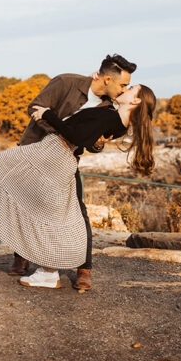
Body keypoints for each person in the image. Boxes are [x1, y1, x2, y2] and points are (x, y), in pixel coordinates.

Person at [0, 83, 157, 290]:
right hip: (54, 153)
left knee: (1, 169)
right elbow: (87, 136)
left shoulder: (111, 118)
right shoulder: (115, 118)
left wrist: (48, 114)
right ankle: (42, 263)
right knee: (45, 209)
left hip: (56, 154)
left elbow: (75, 135)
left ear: (135, 101)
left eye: (130, 88)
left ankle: (48, 272)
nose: (124, 89)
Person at [12, 54, 137, 290]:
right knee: (26, 205)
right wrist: (60, 136)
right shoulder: (66, 82)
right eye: (123, 84)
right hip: (34, 151)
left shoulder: (109, 108)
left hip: (66, 161)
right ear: (107, 79)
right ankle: (21, 255)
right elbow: (36, 107)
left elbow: (91, 143)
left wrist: (97, 143)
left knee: (78, 210)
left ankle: (84, 268)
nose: (125, 89)